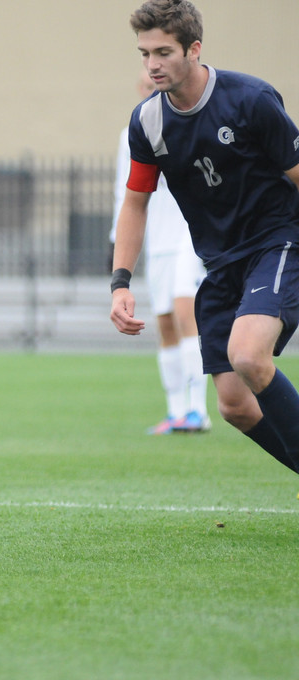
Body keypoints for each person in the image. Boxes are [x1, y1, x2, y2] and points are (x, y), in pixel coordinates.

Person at [111, 0, 299, 476]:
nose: (152, 64)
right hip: (219, 263)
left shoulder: (250, 99)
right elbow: (136, 201)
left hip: (278, 242)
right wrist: (120, 283)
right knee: (234, 406)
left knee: (247, 356)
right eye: (144, 53)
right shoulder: (147, 122)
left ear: (194, 50)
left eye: (164, 52)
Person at [111, 69, 209, 435]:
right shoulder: (133, 134)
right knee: (165, 320)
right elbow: (126, 195)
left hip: (189, 234)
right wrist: (115, 243)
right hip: (157, 238)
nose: (154, 90)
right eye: (147, 86)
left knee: (187, 310)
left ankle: (199, 410)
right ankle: (176, 410)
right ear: (140, 88)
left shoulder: (186, 125)